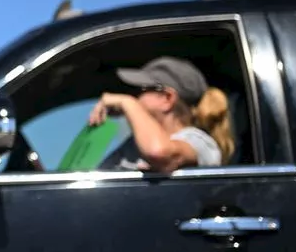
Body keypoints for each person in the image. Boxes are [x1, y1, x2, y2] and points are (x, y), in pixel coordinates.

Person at [88, 56, 235, 172]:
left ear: (167, 99)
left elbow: (160, 153)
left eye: (140, 91)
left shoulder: (199, 142)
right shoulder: (133, 145)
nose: (134, 97)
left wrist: (127, 102)